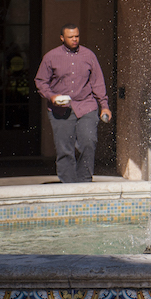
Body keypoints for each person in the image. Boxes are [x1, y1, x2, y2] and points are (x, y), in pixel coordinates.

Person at [34, 24, 111, 184]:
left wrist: (104, 105)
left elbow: (97, 82)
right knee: (64, 149)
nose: (75, 39)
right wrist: (51, 96)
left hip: (86, 106)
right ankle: (68, 184)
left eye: (77, 36)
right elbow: (41, 82)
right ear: (62, 38)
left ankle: (84, 181)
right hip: (61, 109)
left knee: (88, 142)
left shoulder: (88, 55)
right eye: (70, 37)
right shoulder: (51, 57)